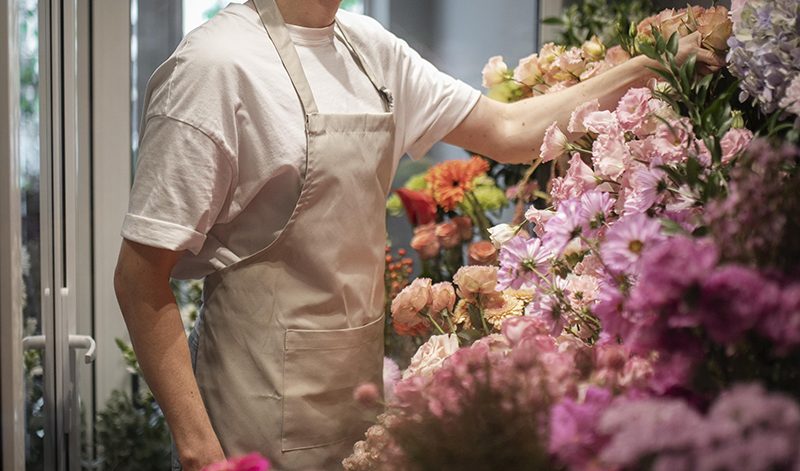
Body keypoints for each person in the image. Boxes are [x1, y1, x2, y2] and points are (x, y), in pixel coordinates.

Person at [113, 0, 723, 469]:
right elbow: (140, 276)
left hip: (353, 396)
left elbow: (509, 129)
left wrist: (650, 67)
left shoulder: (366, 47)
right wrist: (201, 454)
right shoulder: (214, 67)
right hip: (250, 408)